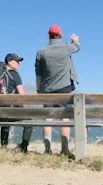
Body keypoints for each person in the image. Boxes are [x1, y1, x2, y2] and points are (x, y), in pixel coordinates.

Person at [35, 25, 80, 155]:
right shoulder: (66, 47)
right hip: (64, 88)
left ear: (49, 36)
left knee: (48, 119)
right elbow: (77, 47)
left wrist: (39, 90)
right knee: (65, 118)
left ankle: (47, 150)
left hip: (46, 89)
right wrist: (75, 40)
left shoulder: (41, 51)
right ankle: (64, 150)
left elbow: (38, 73)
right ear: (60, 36)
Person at [0, 53, 33, 153]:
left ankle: (3, 146)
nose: (19, 64)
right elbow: (21, 95)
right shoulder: (14, 75)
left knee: (5, 121)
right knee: (29, 123)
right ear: (9, 62)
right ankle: (23, 148)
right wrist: (23, 109)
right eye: (16, 61)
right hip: (11, 112)